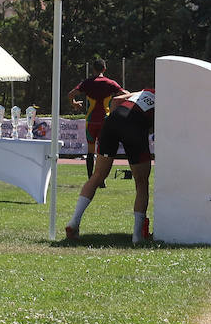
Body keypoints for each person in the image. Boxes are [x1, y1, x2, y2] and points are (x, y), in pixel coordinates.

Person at [64, 89, 155, 244]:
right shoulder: (169, 100)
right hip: (135, 124)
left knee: (97, 175)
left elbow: (116, 100)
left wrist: (118, 126)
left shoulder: (146, 91)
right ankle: (137, 237)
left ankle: (74, 221)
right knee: (141, 181)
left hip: (112, 121)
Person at [70, 59, 125, 181]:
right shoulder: (110, 83)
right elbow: (125, 93)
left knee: (90, 150)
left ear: (93, 69)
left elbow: (71, 94)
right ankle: (101, 180)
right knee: (103, 151)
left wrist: (74, 104)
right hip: (105, 122)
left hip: (91, 121)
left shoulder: (87, 83)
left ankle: (91, 179)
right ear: (104, 69)